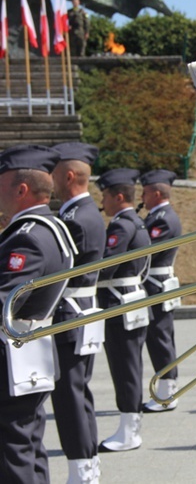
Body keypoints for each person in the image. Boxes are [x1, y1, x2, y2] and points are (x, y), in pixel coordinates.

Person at [0, 145, 76, 483]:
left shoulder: (27, 238)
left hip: (10, 360)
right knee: (29, 448)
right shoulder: (50, 227)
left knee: (12, 456)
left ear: (20, 190)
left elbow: (5, 300)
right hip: (28, 355)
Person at [50, 142, 107, 483]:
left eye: (54, 174)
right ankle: (87, 464)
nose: (50, 180)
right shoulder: (82, 213)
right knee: (77, 392)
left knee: (69, 394)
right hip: (80, 311)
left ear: (68, 176)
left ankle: (82, 468)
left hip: (70, 314)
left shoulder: (76, 218)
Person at [95, 168, 151, 452]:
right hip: (132, 301)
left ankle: (129, 431)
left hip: (119, 305)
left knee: (124, 368)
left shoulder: (121, 226)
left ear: (118, 196)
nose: (101, 201)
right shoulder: (137, 222)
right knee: (131, 367)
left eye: (104, 195)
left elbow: (105, 267)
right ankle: (130, 426)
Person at [138, 169, 183, 413]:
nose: (142, 198)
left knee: (160, 338)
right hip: (155, 283)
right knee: (158, 337)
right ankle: (166, 389)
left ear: (156, 193)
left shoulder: (163, 218)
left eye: (145, 193)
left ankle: (167, 392)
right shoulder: (157, 216)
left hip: (156, 284)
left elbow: (148, 251)